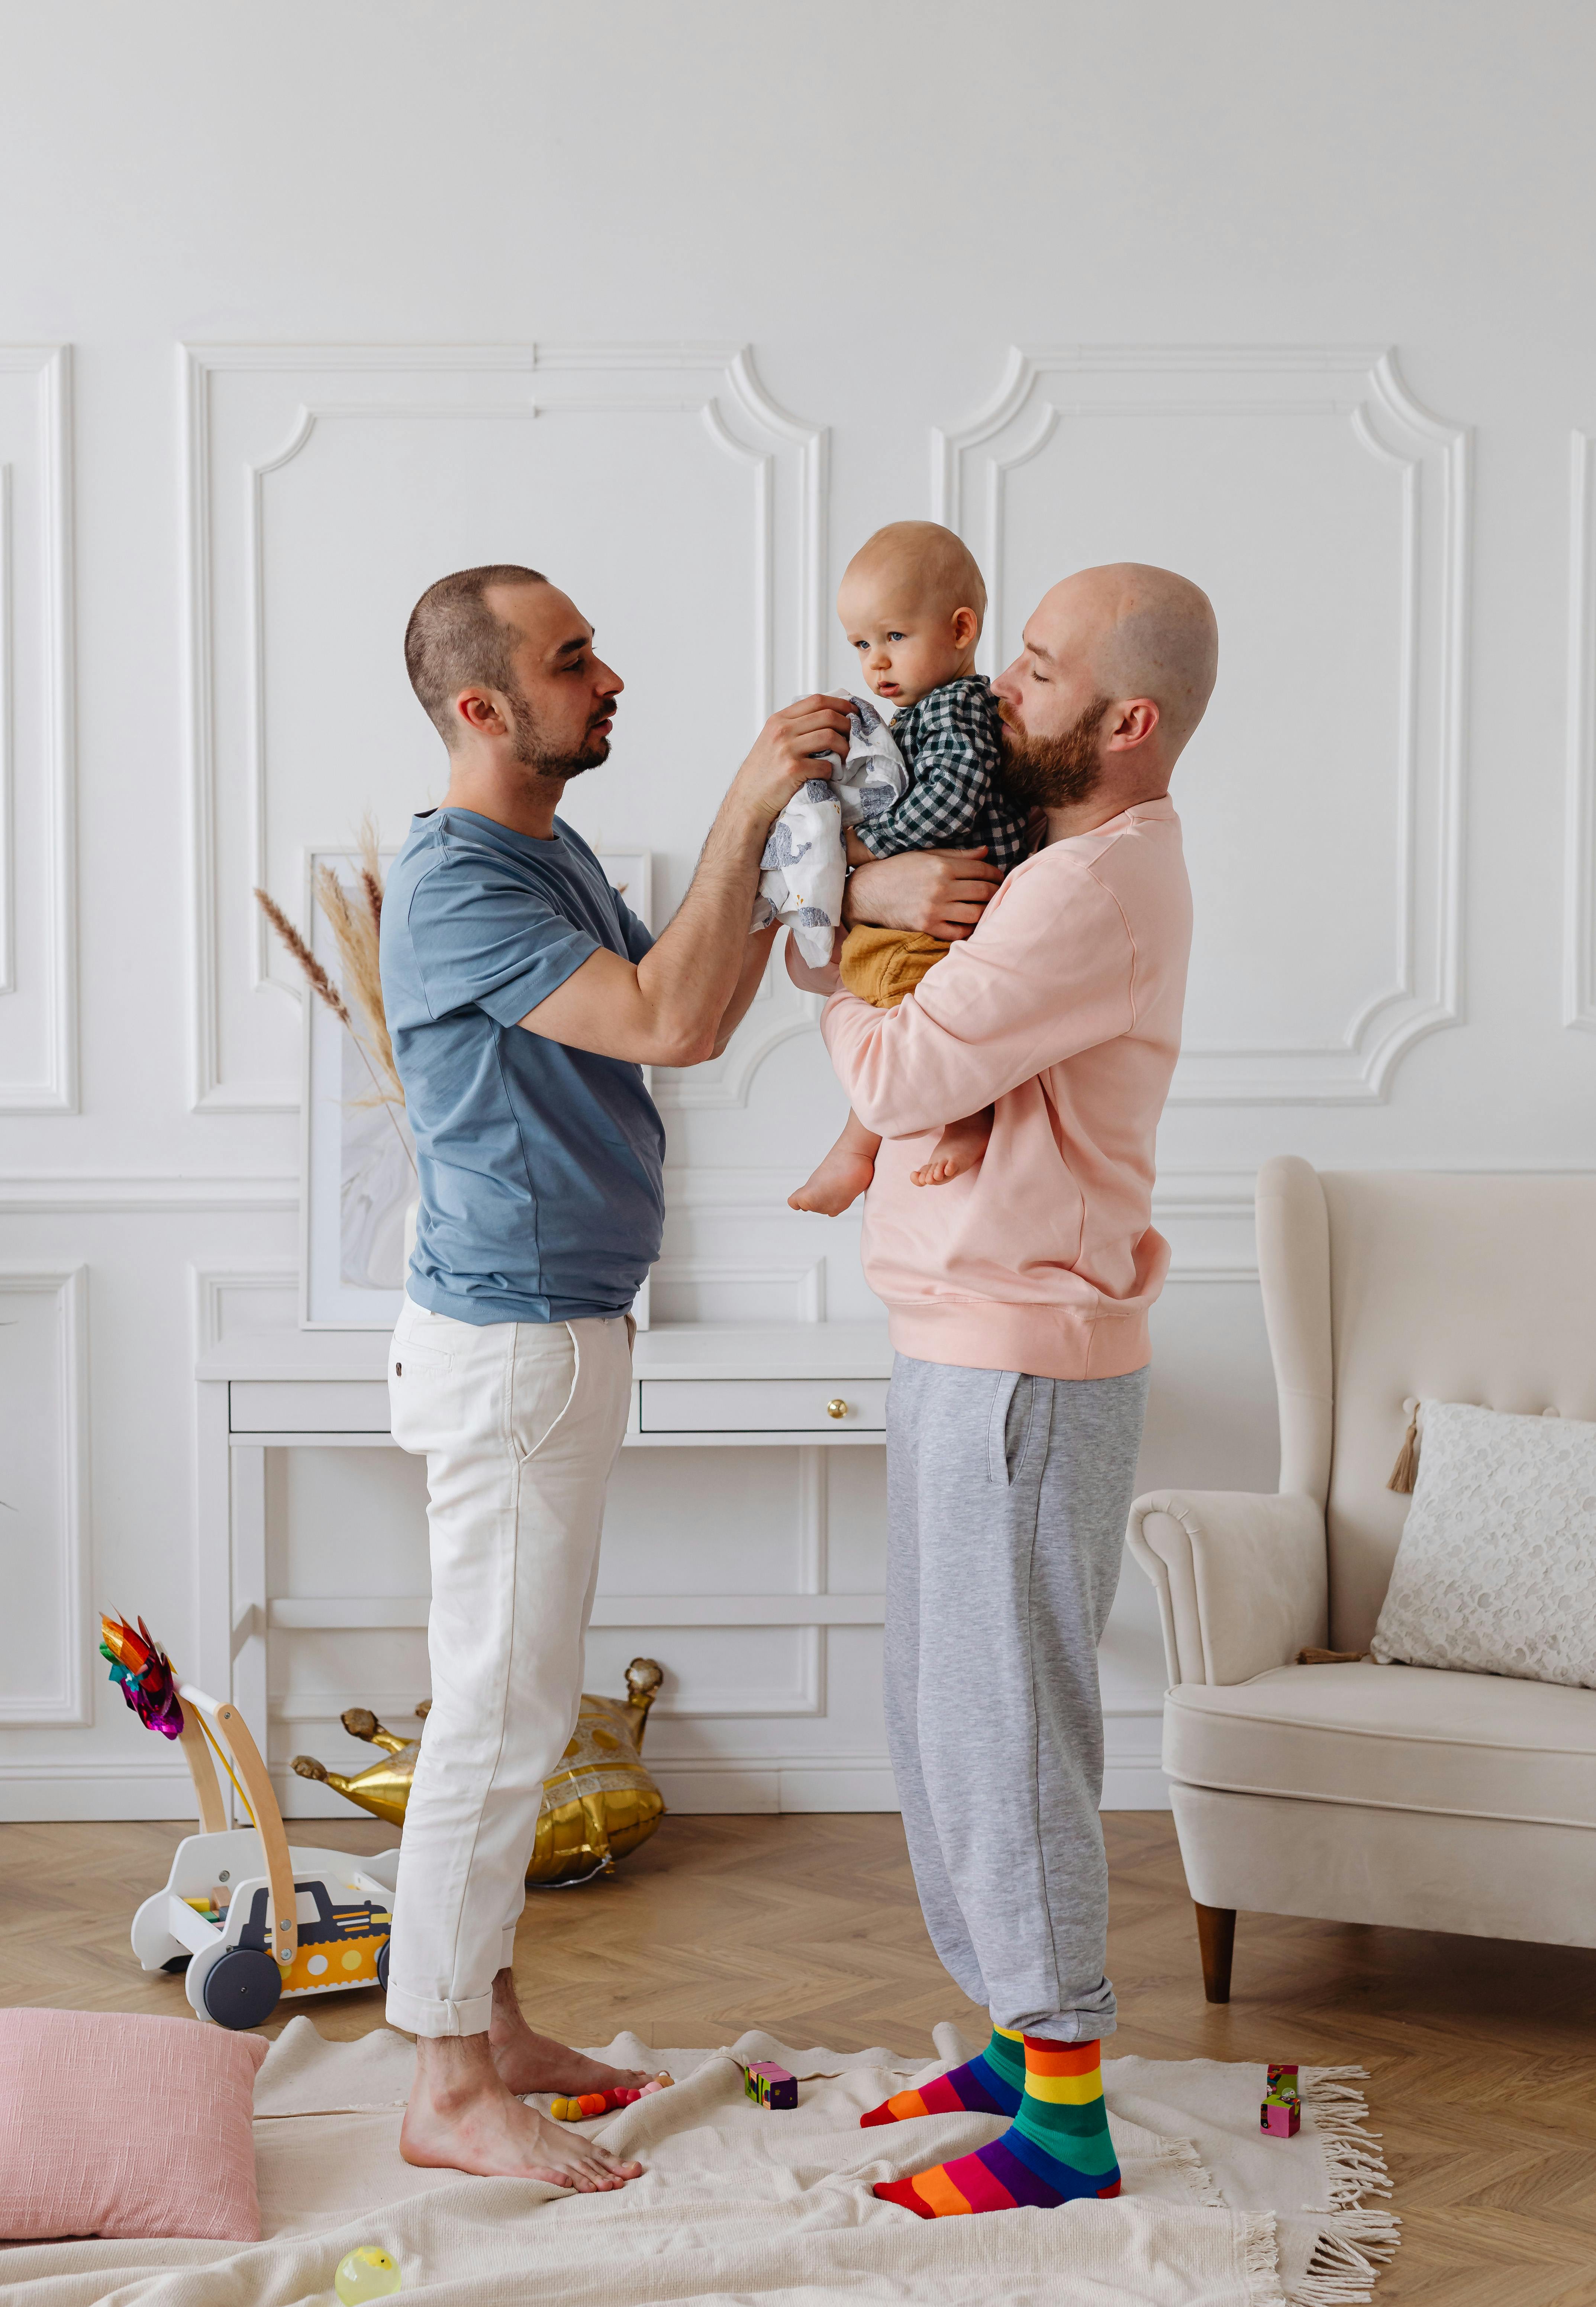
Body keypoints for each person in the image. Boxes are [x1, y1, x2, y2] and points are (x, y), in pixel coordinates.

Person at [377, 563, 862, 2188]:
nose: (606, 677)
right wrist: (747, 791)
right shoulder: (455, 881)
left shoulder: (543, 850)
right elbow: (660, 1018)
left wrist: (778, 848)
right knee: (499, 1719)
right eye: (569, 659)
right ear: (480, 706)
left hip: (559, 1328)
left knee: (509, 1700)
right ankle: (445, 2085)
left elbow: (698, 1015)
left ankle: (491, 2020)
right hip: (512, 1342)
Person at [788, 562, 1217, 2217]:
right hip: (963, 1338)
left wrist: (838, 935)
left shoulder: (1082, 892)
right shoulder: (1061, 865)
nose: (991, 694)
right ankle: (1007, 2030)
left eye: (1030, 672)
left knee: (1006, 1726)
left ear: (1125, 720)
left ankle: (1063, 2115)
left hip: (1016, 1362)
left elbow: (896, 1065)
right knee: (940, 1714)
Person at [781, 522, 1029, 1218]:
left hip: (966, 898)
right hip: (939, 899)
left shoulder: (960, 706)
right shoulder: (916, 712)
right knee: (884, 990)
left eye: (893, 638)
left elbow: (951, 801)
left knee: (915, 1004)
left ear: (959, 629)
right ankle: (860, 1146)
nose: (875, 664)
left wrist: (860, 848)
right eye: (861, 645)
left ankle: (961, 1115)